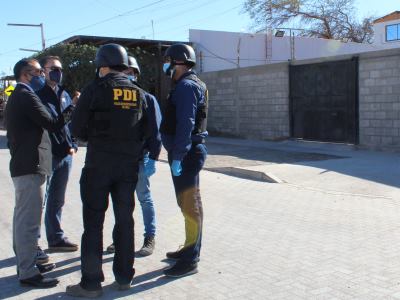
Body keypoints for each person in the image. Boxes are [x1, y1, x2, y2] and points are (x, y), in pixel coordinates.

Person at [67, 44, 161, 298]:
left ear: (103, 66)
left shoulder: (94, 89)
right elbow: (152, 133)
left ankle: (91, 283)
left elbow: (76, 129)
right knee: (125, 221)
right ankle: (123, 277)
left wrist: (95, 137)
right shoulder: (140, 94)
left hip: (98, 166)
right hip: (128, 168)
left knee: (93, 225)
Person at [5, 58, 74, 288]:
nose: (43, 76)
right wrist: (73, 105)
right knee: (28, 223)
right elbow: (53, 123)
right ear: (26, 75)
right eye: (39, 72)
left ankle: (27, 265)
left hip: (25, 165)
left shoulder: (20, 95)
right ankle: (28, 272)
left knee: (22, 220)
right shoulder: (26, 95)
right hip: (30, 165)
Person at [160, 43, 208, 278]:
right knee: (187, 204)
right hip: (186, 152)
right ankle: (189, 249)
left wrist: (178, 155)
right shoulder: (188, 84)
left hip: (186, 154)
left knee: (190, 206)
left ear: (178, 62)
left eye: (168, 61)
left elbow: (186, 124)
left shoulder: (187, 86)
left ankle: (191, 259)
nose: (166, 65)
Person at [106, 55, 161, 257]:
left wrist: (153, 157)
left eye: (130, 73)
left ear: (136, 75)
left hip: (139, 159)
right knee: (121, 201)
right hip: (120, 160)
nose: (127, 76)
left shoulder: (147, 98)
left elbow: (155, 132)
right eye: (123, 73)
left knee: (144, 199)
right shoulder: (114, 98)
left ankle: (150, 237)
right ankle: (119, 237)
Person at [36, 56, 79, 253]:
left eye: (60, 68)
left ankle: (56, 238)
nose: (58, 72)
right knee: (39, 200)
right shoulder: (37, 94)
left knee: (57, 199)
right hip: (47, 155)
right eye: (53, 68)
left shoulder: (64, 93)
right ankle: (33, 243)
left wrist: (73, 144)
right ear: (43, 71)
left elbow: (69, 124)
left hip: (65, 154)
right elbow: (52, 123)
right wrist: (72, 108)